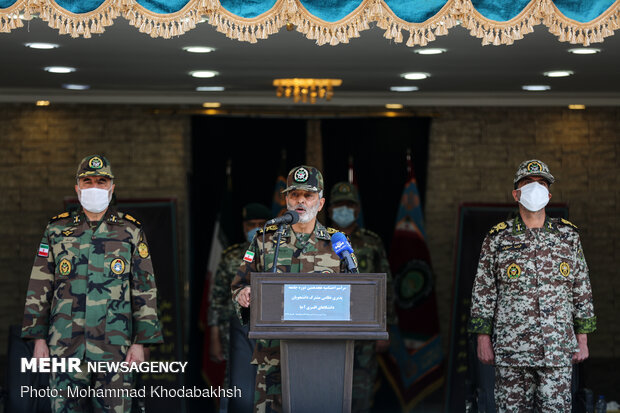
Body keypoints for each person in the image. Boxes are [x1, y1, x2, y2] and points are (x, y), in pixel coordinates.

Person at [21, 155, 163, 413]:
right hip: (65, 344)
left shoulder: (130, 231)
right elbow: (40, 285)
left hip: (115, 347)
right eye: (87, 181)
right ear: (77, 187)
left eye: (101, 181)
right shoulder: (56, 230)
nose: (94, 187)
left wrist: (141, 343)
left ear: (112, 187)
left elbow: (144, 288)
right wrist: (38, 339)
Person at [468, 159, 596, 412]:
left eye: (541, 183)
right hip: (512, 349)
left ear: (548, 195)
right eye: (528, 183)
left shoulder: (568, 236)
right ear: (516, 193)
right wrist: (482, 338)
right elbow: (483, 290)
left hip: (557, 349)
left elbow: (581, 287)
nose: (535, 188)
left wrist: (583, 339)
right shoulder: (498, 238)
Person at [231, 165, 346, 413]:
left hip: (322, 354)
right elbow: (240, 284)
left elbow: (355, 297)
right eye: (294, 195)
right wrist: (242, 295)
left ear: (321, 202)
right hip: (272, 355)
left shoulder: (336, 243)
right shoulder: (264, 239)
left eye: (308, 195)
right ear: (286, 200)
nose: (301, 201)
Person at [327, 182, 396, 413]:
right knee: (326, 391)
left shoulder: (372, 242)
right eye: (339, 205)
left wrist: (385, 328)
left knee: (361, 394)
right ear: (328, 209)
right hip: (327, 329)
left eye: (349, 205)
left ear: (357, 210)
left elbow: (386, 286)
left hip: (365, 330)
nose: (344, 209)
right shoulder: (319, 241)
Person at [208, 203, 271, 412]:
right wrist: (215, 337)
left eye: (260, 224)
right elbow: (217, 298)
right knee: (234, 383)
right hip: (234, 332)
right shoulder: (231, 255)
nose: (255, 228)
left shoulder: (277, 252)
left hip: (270, 333)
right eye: (251, 224)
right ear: (244, 226)